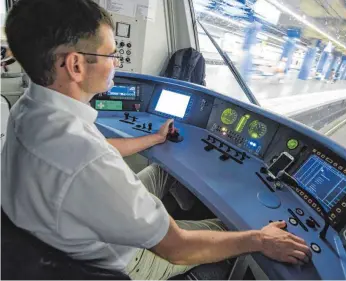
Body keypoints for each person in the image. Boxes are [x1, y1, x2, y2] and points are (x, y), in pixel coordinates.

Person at [1, 0, 311, 280]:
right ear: (76, 65)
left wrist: (152, 139)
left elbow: (91, 157)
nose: (117, 63)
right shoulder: (88, 160)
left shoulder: (29, 111)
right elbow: (177, 248)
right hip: (122, 260)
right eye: (111, 55)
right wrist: (258, 238)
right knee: (232, 227)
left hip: (56, 229)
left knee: (164, 170)